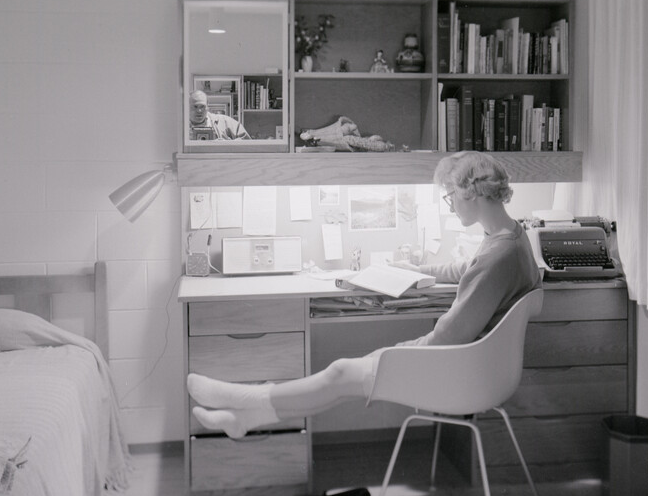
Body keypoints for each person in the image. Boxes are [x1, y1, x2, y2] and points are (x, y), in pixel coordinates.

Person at [188, 150, 542, 439]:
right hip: (478, 368)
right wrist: (414, 269)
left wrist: (395, 353)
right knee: (343, 376)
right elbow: (465, 270)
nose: (451, 206)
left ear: (471, 192)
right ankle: (245, 418)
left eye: (450, 197)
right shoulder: (510, 237)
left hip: (462, 372)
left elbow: (451, 335)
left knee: (341, 372)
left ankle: (239, 399)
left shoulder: (498, 255)